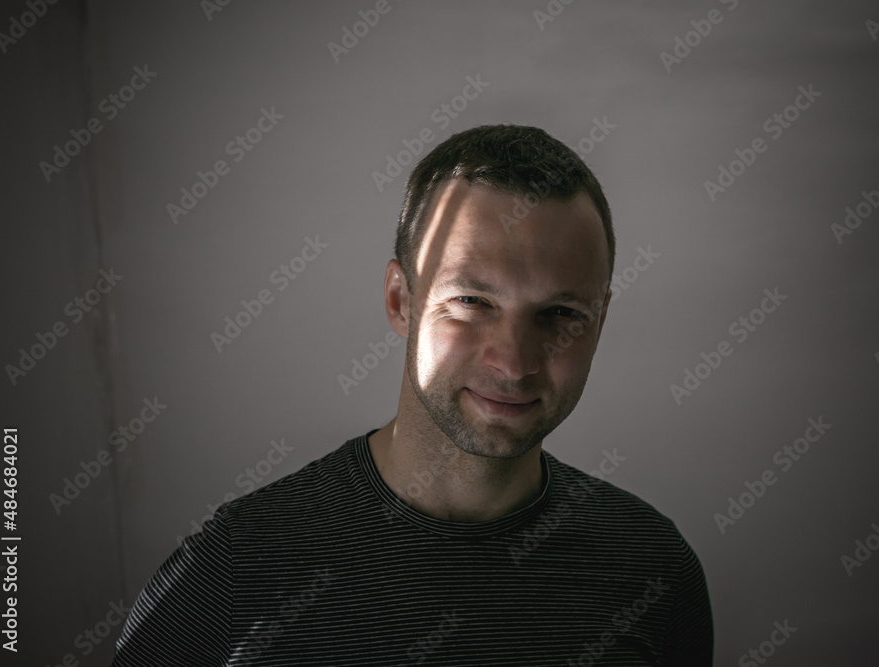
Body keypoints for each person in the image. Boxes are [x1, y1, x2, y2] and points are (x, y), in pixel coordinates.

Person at [111, 124, 713, 665]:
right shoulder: (235, 569)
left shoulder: (652, 571)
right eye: (472, 302)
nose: (513, 362)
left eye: (560, 314)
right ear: (402, 301)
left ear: (600, 324)